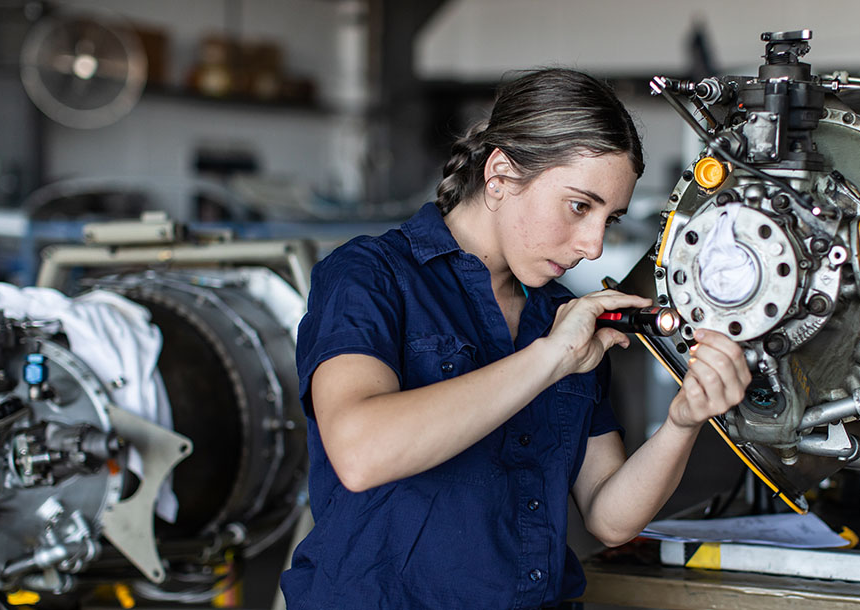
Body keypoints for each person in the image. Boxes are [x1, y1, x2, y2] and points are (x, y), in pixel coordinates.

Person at [280, 68, 751, 609]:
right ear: (500, 174)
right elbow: (362, 453)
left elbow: (608, 516)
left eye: (609, 218)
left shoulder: (563, 318)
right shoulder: (370, 275)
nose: (593, 247)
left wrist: (682, 422)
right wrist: (550, 357)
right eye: (579, 206)